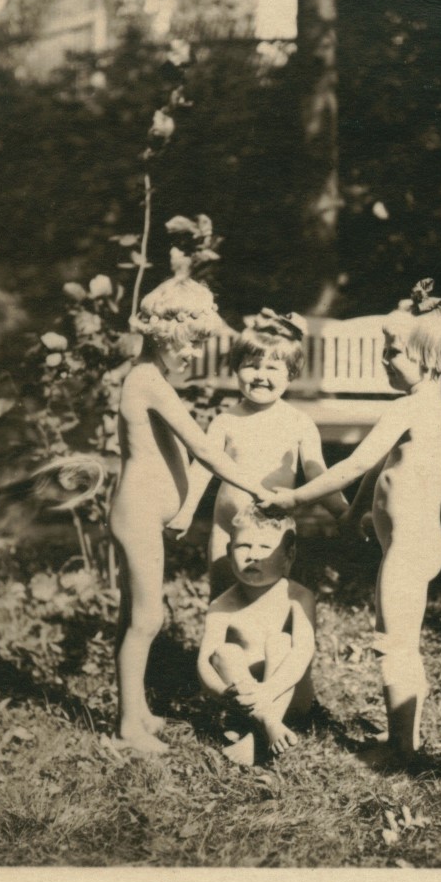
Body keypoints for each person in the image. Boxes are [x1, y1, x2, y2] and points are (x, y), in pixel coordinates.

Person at [262, 278, 441, 765]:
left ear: (425, 355)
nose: (385, 361)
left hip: (410, 548)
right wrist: (354, 513)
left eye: (392, 351)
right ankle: (404, 740)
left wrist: (296, 499)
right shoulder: (429, 409)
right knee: (399, 640)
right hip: (412, 545)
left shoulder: (410, 407)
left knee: (393, 645)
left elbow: (353, 463)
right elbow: (379, 469)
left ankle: (402, 748)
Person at [109, 274, 271, 754]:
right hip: (136, 513)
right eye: (192, 344)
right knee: (146, 618)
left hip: (141, 513)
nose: (194, 354)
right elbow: (204, 448)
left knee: (133, 616)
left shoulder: (152, 377)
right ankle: (126, 729)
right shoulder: (146, 381)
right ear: (167, 334)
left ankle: (135, 709)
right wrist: (256, 486)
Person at [167, 309, 347, 597]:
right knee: (223, 593)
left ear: (291, 374)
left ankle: (265, 641)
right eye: (251, 365)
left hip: (273, 532)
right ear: (236, 368)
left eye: (272, 369)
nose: (261, 376)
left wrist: (343, 512)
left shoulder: (300, 423)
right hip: (228, 527)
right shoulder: (226, 421)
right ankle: (220, 641)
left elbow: (316, 472)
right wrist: (186, 511)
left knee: (270, 598)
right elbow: (202, 468)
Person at [197, 505, 316, 766]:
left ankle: (260, 731)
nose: (253, 556)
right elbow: (205, 660)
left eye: (265, 548)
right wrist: (222, 692)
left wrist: (267, 691)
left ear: (289, 555)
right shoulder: (222, 604)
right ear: (228, 552)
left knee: (281, 642)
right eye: (243, 546)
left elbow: (303, 653)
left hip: (290, 693)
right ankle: (266, 725)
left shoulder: (297, 597)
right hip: (242, 700)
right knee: (224, 653)